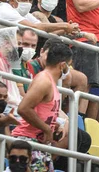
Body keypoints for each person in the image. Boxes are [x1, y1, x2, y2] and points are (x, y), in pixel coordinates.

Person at [13, 42, 73, 170]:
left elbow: (41, 111)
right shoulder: (43, 81)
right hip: (28, 142)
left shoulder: (51, 82)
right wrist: (46, 129)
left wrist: (53, 126)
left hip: (40, 144)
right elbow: (23, 108)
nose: (69, 71)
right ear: (62, 65)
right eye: (69, 66)